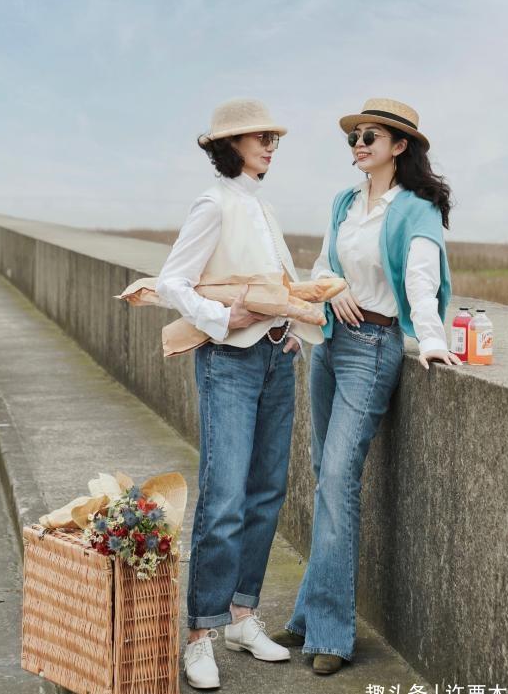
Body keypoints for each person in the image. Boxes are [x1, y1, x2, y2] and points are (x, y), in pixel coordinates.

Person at [272, 97, 461, 674]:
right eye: (354, 136)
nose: (358, 143)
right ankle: (309, 615)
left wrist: (429, 339)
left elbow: (422, 280)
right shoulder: (345, 203)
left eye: (370, 136)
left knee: (337, 479)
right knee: (322, 476)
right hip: (329, 346)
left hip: (374, 351)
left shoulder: (416, 210)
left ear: (399, 147)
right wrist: (333, 288)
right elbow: (320, 268)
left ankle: (330, 634)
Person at [155, 98, 323, 690]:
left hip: (276, 359)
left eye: (274, 138)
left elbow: (273, 286)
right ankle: (199, 634)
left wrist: (289, 330)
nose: (271, 145)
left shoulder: (262, 207)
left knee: (266, 491)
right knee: (224, 497)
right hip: (228, 361)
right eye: (260, 138)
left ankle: (243, 617)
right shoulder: (214, 203)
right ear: (231, 145)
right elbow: (173, 281)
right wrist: (222, 320)